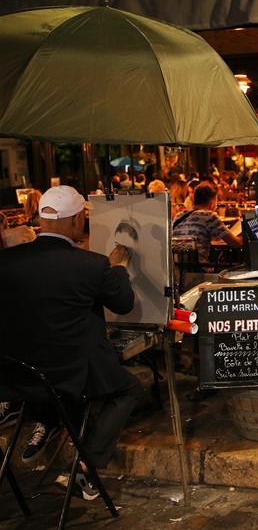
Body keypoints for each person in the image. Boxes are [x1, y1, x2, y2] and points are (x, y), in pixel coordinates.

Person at [0, 186, 143, 500]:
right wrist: (118, 267)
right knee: (128, 390)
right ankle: (86, 468)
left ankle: (49, 419)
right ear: (77, 220)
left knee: (61, 381)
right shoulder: (91, 265)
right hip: (67, 374)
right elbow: (122, 303)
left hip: (16, 376)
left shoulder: (6, 262)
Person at [172, 181, 242, 263]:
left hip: (177, 269)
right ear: (212, 202)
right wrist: (245, 236)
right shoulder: (209, 216)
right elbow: (235, 243)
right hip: (199, 270)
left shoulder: (179, 215)